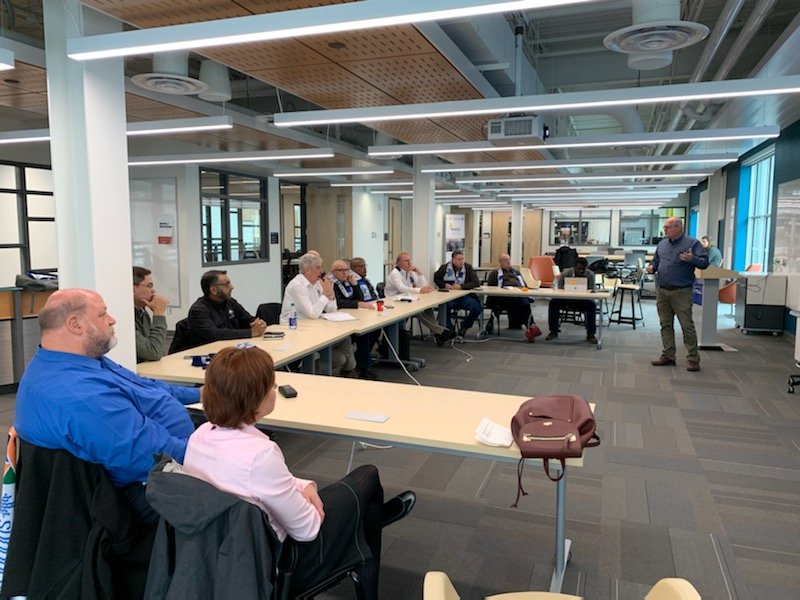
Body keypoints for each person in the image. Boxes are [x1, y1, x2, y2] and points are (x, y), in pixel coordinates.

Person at [182, 346, 415, 599]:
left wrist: (305, 486)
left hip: (223, 552)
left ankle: (369, 519)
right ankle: (370, 528)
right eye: (271, 385)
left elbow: (257, 481)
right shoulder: (261, 454)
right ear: (255, 398)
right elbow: (308, 529)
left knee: (362, 501)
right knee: (368, 476)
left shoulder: (199, 437)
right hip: (279, 562)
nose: (275, 389)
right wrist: (311, 501)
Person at [14, 289, 198, 521]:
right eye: (102, 315)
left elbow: (144, 386)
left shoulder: (80, 362)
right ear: (75, 324)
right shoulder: (80, 396)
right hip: (148, 487)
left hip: (167, 452)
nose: (112, 320)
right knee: (239, 504)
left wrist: (200, 394)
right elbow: (153, 455)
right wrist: (214, 453)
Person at [648, 217, 709, 372]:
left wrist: (692, 259)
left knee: (686, 325)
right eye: (665, 227)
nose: (664, 230)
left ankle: (693, 358)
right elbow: (656, 261)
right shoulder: (662, 244)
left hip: (681, 291)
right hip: (662, 290)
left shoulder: (692, 243)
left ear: (678, 227)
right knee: (665, 324)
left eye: (667, 227)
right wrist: (652, 267)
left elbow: (704, 263)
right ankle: (668, 355)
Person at [282, 253, 358, 377]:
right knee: (340, 358)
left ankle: (350, 372)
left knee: (345, 339)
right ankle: (305, 370)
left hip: (313, 328)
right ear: (307, 270)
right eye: (318, 267)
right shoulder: (297, 286)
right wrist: (325, 295)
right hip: (297, 331)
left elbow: (332, 310)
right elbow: (312, 314)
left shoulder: (316, 283)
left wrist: (331, 293)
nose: (321, 271)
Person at [384, 252, 455, 347]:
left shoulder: (409, 273)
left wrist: (419, 272)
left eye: (410, 261)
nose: (409, 263)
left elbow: (423, 285)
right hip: (393, 303)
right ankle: (440, 332)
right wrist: (419, 290)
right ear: (399, 263)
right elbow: (402, 289)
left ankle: (438, 333)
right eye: (406, 261)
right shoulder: (395, 273)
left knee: (427, 308)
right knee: (417, 310)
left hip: (406, 301)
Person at [187, 270, 267, 346]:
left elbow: (247, 319)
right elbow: (215, 334)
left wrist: (258, 323)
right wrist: (251, 332)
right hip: (208, 351)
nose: (232, 287)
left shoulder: (230, 302)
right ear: (213, 290)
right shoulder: (198, 310)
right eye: (227, 284)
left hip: (232, 346)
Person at [330, 258, 380, 380]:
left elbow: (360, 299)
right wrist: (357, 303)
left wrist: (354, 285)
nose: (345, 273)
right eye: (341, 270)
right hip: (337, 321)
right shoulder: (332, 284)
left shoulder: (347, 282)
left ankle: (360, 362)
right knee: (363, 335)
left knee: (375, 330)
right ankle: (364, 367)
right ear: (334, 272)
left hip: (350, 317)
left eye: (346, 270)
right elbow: (339, 303)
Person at [544, 257, 598, 344]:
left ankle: (591, 334)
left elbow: (591, 291)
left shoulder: (590, 275)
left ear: (586, 268)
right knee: (553, 302)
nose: (581, 271)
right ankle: (553, 331)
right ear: (574, 267)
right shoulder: (565, 273)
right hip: (566, 299)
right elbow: (559, 289)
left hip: (582, 300)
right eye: (579, 268)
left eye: (583, 269)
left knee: (591, 305)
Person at [433, 250, 482, 337]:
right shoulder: (445, 268)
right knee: (444, 306)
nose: (461, 261)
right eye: (459, 259)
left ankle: (465, 325)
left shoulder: (468, 268)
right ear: (453, 260)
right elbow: (436, 278)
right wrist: (444, 285)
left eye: (462, 259)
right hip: (449, 296)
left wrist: (461, 286)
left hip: (464, 296)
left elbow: (476, 283)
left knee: (477, 308)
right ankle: (449, 329)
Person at [485, 253, 533, 334]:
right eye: (505, 260)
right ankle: (531, 326)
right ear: (500, 262)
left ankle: (531, 326)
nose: (508, 261)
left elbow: (524, 285)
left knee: (525, 303)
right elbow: (490, 289)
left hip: (517, 295)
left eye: (509, 259)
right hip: (502, 298)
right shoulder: (495, 273)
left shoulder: (516, 272)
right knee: (522, 303)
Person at [133, 266, 168, 362]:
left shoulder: (142, 312)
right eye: (149, 286)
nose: (153, 291)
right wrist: (158, 314)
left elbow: (159, 349)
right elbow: (154, 352)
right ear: (133, 288)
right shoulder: (125, 317)